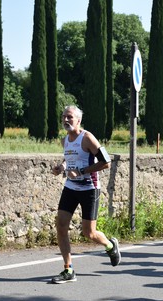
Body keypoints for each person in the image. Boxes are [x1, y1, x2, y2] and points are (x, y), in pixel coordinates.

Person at [50, 105, 121, 283]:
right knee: (61, 226)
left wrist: (82, 172)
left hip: (90, 188)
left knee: (89, 233)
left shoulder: (88, 138)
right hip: (71, 188)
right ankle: (68, 270)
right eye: (64, 117)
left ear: (78, 120)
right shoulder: (65, 140)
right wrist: (62, 167)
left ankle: (110, 245)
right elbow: (70, 157)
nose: (66, 120)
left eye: (70, 117)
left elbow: (106, 162)